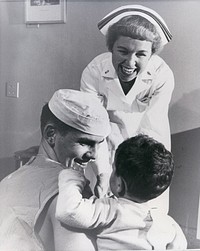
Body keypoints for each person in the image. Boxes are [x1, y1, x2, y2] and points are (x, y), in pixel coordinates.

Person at [80, 5, 174, 212]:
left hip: (146, 156)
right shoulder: (95, 71)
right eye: (122, 51)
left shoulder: (161, 76)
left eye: (141, 54)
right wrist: (104, 173)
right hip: (103, 148)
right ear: (111, 47)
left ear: (151, 54)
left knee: (144, 220)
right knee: (101, 216)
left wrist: (136, 179)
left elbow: (152, 130)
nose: (130, 62)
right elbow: (93, 128)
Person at [0, 89, 111, 251]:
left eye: (98, 144)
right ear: (51, 134)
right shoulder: (71, 196)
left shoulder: (8, 181)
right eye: (85, 142)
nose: (93, 155)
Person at [56, 134, 187, 250]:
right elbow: (181, 246)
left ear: (119, 184)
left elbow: (69, 211)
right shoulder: (169, 223)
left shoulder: (110, 209)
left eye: (113, 169)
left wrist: (71, 175)